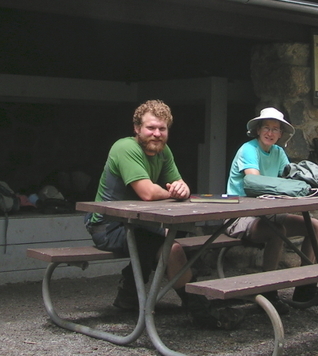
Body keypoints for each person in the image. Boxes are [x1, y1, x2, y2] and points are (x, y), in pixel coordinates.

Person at [84, 100, 242, 329]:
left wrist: (183, 188)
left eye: (162, 129)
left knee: (173, 235)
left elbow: (179, 184)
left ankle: (129, 295)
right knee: (172, 246)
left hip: (137, 223)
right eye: (151, 128)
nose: (157, 134)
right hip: (108, 226)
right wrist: (174, 192)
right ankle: (202, 311)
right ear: (137, 128)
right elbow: (147, 193)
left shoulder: (163, 151)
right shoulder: (125, 148)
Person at [226, 107, 318, 314]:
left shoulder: (279, 153)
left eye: (275, 129)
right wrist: (287, 187)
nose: (270, 133)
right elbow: (255, 182)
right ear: (258, 130)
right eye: (267, 128)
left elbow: (288, 181)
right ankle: (267, 292)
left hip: (268, 213)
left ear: (281, 134)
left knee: (313, 226)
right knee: (277, 230)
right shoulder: (248, 150)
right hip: (240, 215)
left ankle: (305, 287)